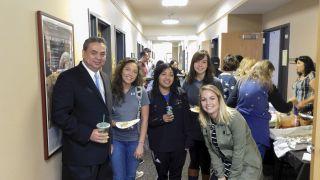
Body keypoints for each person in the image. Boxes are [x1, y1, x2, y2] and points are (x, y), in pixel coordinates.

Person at [52, 37, 113, 180]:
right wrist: (88, 133)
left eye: (102, 54)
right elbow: (59, 115)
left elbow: (105, 112)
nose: (98, 57)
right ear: (84, 53)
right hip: (80, 159)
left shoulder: (105, 77)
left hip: (103, 156)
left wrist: (111, 142)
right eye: (94, 53)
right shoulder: (68, 78)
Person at [227, 60, 294, 158]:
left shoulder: (241, 82)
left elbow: (229, 104)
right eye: (271, 74)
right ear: (268, 72)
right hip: (258, 131)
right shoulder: (268, 85)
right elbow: (283, 108)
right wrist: (292, 102)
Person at [198, 85, 262, 180]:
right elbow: (212, 152)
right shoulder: (204, 121)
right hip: (226, 163)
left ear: (219, 100)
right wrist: (220, 175)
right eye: (203, 99)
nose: (208, 103)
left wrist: (232, 178)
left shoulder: (234, 117)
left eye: (212, 98)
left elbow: (238, 152)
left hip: (246, 165)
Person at [182, 50, 223, 180]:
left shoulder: (215, 82)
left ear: (208, 64)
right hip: (192, 127)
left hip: (210, 127)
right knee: (194, 161)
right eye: (197, 61)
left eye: (204, 62)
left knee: (206, 163)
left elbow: (222, 105)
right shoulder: (187, 82)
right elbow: (183, 105)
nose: (200, 65)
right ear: (193, 63)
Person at [148, 63, 193, 180]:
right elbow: (146, 121)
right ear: (157, 76)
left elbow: (187, 118)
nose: (167, 78)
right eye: (163, 74)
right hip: (159, 144)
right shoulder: (149, 96)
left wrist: (188, 140)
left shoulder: (181, 94)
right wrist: (160, 119)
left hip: (178, 145)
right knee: (162, 175)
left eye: (171, 75)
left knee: (176, 175)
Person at [110, 59, 149, 180]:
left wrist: (141, 145)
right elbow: (104, 116)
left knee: (130, 176)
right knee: (118, 176)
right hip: (115, 140)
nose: (130, 74)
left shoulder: (140, 91)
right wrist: (114, 124)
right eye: (127, 69)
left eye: (134, 72)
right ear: (121, 70)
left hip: (134, 141)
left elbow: (145, 118)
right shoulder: (110, 90)